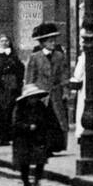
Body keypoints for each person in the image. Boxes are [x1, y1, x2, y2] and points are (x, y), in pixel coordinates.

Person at [28, 23, 69, 153]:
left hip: (55, 93)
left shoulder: (59, 56)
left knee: (55, 119)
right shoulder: (35, 57)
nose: (53, 43)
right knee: (41, 120)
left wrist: (66, 91)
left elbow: (64, 74)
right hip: (40, 93)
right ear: (43, 43)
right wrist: (30, 93)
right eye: (50, 41)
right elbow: (30, 77)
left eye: (54, 41)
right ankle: (41, 146)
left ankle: (53, 146)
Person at [11, 85, 59, 186]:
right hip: (23, 138)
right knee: (24, 162)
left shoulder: (41, 106)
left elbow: (47, 119)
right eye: (31, 97)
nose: (34, 100)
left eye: (35, 97)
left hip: (38, 137)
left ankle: (37, 181)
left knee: (40, 159)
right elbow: (16, 123)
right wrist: (27, 127)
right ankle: (26, 183)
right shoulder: (19, 108)